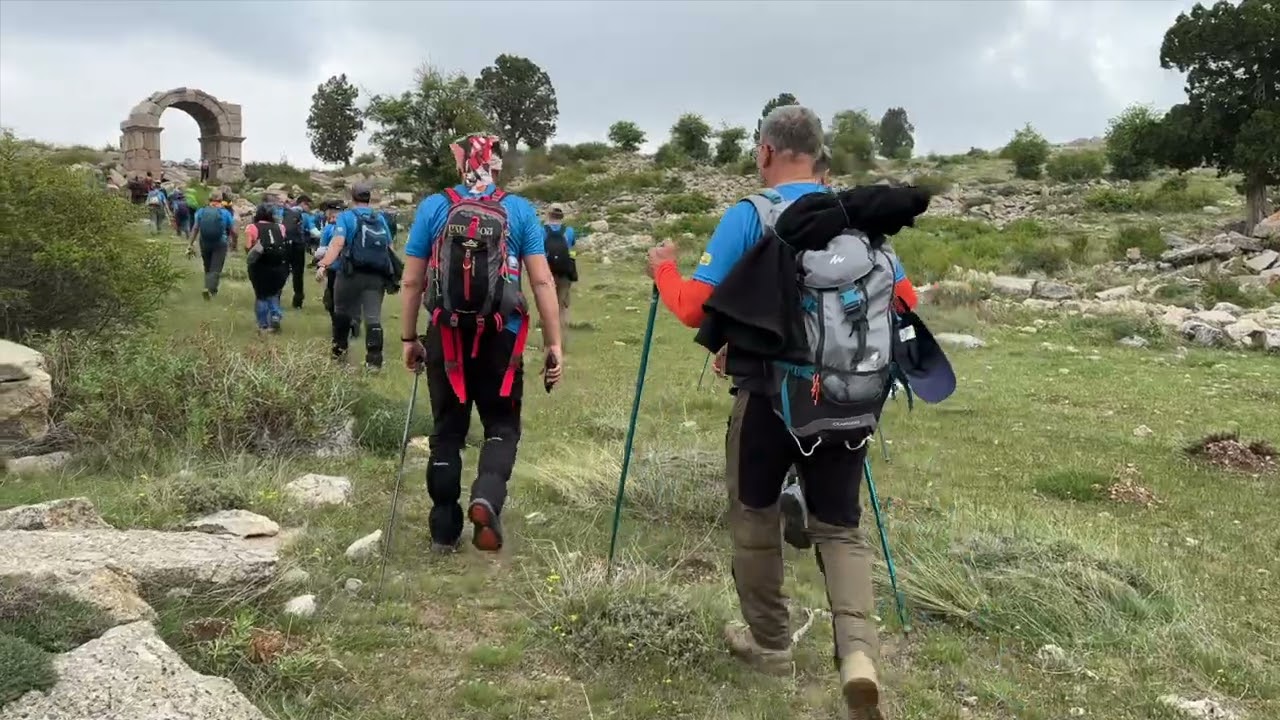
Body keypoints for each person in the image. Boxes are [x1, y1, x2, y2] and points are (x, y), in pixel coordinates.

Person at [644, 105, 911, 720]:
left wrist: (662, 268)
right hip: (850, 402)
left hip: (769, 399)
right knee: (840, 527)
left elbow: (693, 308)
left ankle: (770, 644)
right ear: (822, 157)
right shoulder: (858, 220)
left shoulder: (752, 215)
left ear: (765, 152)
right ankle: (859, 656)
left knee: (755, 513)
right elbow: (902, 301)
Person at [399, 134, 564, 554]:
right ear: (494, 166)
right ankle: (486, 498)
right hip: (501, 336)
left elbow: (413, 279)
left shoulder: (435, 207)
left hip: (446, 335)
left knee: (447, 433)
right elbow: (542, 280)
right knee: (502, 427)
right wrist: (554, 343)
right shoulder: (519, 210)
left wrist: (408, 338)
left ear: (462, 164)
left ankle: (443, 530)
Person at [314, 183, 394, 368]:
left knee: (341, 312)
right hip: (376, 275)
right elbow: (388, 247)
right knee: (373, 318)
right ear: (368, 198)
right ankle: (374, 362)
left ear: (352, 198)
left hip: (349, 274)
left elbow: (338, 243)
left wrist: (324, 264)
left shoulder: (346, 217)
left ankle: (339, 357)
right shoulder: (378, 218)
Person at [244, 204, 290, 332]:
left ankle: (263, 324)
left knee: (261, 295)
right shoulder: (280, 227)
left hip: (260, 266)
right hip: (279, 266)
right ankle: (275, 315)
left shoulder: (252, 227)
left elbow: (248, 246)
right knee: (274, 293)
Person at [541, 203, 578, 349]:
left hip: (546, 273)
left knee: (546, 308)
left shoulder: (541, 230)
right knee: (561, 308)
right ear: (562, 215)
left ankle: (547, 344)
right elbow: (572, 247)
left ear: (548, 214)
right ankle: (560, 344)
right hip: (565, 274)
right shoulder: (569, 231)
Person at [189, 194, 236, 299]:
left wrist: (190, 243)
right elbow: (234, 231)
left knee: (207, 265)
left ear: (209, 200)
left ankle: (208, 287)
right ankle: (210, 289)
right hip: (220, 243)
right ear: (221, 201)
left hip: (204, 242)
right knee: (216, 268)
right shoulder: (225, 213)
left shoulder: (201, 211)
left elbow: (196, 228)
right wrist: (234, 244)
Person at [282, 195, 317, 309]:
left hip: (286, 244)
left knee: (284, 271)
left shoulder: (286, 213)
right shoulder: (304, 216)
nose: (309, 209)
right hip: (298, 246)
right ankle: (298, 300)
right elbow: (313, 232)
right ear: (303, 203)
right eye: (308, 205)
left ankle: (276, 296)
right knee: (298, 274)